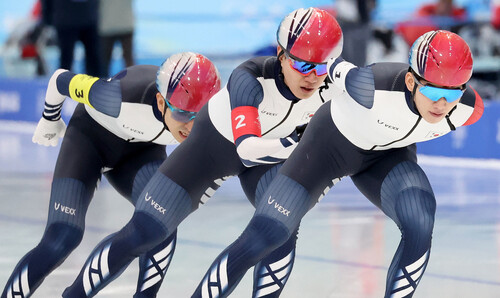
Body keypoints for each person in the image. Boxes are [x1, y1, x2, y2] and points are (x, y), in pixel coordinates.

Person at [60, 7, 344, 298]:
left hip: (266, 156)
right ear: (282, 56)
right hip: (215, 149)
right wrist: (296, 144)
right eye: (304, 66)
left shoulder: (333, 82)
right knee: (147, 230)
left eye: (321, 67)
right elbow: (246, 148)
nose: (313, 77)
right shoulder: (251, 77)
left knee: (280, 232)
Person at [192, 30, 484, 298]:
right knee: (269, 233)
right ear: (411, 81)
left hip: (388, 156)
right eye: (433, 92)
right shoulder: (371, 86)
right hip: (329, 147)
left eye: (453, 93)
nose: (443, 103)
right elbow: (333, 64)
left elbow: (453, 101)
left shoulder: (470, 108)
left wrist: (447, 94)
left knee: (420, 220)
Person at [1, 52, 221, 298]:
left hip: (141, 151)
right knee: (63, 235)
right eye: (182, 114)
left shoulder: (213, 120)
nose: (191, 126)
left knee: (163, 222)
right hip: (90, 143)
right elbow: (60, 80)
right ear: (161, 102)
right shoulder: (117, 97)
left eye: (198, 115)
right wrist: (50, 118)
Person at [41, 0, 103, 76]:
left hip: (88, 19)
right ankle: (63, 84)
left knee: (93, 58)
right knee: (66, 58)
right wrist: (47, 20)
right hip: (66, 20)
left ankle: (96, 84)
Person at [99, 0, 135, 76]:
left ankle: (101, 85)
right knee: (128, 60)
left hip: (107, 25)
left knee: (104, 62)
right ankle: (134, 84)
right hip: (123, 24)